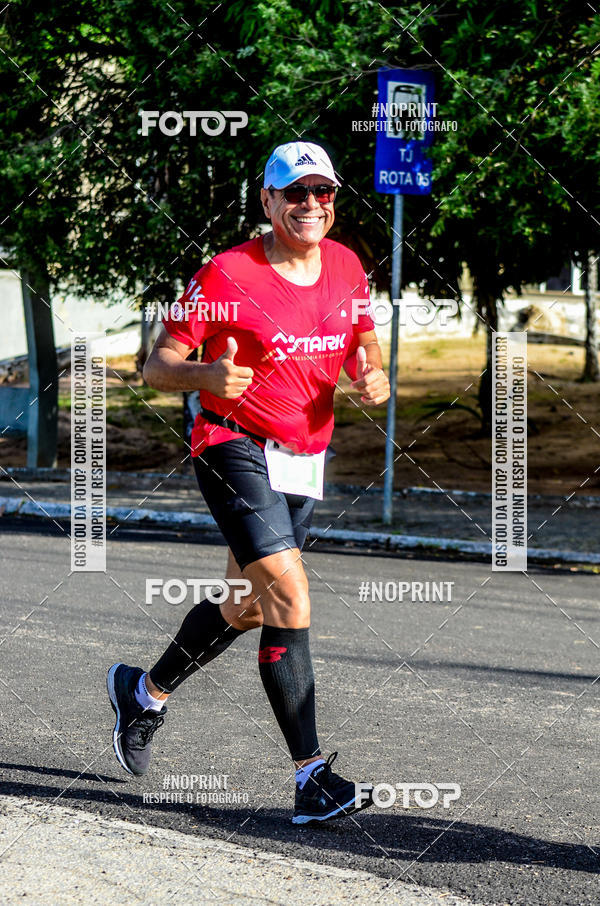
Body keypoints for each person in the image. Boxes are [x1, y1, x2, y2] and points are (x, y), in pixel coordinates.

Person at [107, 140, 391, 824]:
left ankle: (143, 692)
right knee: (289, 593)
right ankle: (312, 779)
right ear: (266, 201)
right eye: (295, 193)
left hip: (302, 457)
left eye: (323, 192)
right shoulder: (228, 273)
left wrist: (370, 372)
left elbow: (362, 337)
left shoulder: (348, 267)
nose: (311, 205)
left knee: (248, 606)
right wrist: (204, 376)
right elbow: (156, 366)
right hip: (231, 444)